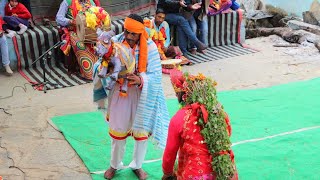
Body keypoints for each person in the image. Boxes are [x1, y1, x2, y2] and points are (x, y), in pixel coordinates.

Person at [92, 14, 170, 180]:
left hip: (142, 95)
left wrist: (141, 79)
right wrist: (107, 68)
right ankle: (114, 165)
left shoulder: (150, 48)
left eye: (133, 34)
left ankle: (137, 165)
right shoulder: (115, 42)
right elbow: (99, 63)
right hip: (120, 92)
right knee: (118, 132)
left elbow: (156, 75)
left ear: (140, 33)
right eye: (127, 32)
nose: (129, 36)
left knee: (141, 134)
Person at [162, 69, 238, 180]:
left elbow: (170, 153)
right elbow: (227, 135)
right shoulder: (219, 113)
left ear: (182, 96)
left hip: (195, 173)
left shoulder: (179, 118)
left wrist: (167, 173)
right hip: (223, 171)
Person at [56, 0, 98, 80]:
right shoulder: (67, 2)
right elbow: (58, 18)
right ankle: (89, 73)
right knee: (80, 45)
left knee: (100, 43)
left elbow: (98, 15)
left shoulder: (91, 2)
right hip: (73, 30)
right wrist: (70, 21)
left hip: (88, 31)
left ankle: (99, 69)